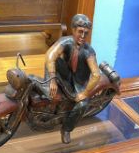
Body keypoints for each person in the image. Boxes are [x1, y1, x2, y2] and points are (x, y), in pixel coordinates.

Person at [43, 14, 101, 143]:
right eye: (80, 32)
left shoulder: (88, 51)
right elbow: (50, 55)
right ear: (73, 30)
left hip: (79, 82)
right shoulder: (65, 42)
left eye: (86, 33)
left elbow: (96, 74)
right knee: (52, 60)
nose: (82, 36)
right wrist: (52, 79)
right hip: (67, 73)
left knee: (82, 105)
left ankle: (67, 129)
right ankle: (47, 86)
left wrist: (85, 93)